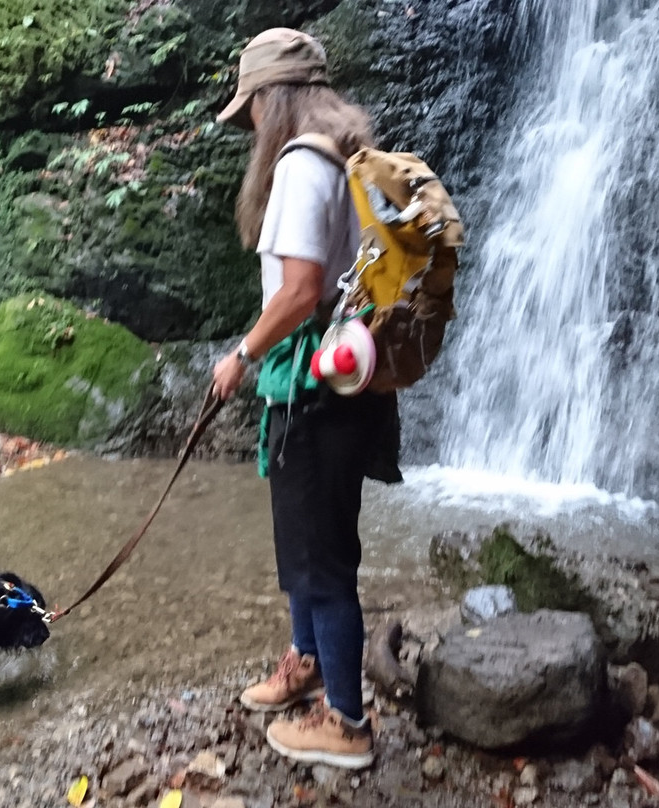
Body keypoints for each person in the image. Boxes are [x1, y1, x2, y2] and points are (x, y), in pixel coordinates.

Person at [211, 27, 402, 770]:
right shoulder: (351, 157)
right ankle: (308, 658)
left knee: (320, 558)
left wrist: (240, 357)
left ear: (271, 99)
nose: (250, 125)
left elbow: (296, 292)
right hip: (350, 378)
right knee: (310, 542)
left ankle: (347, 725)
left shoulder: (298, 165)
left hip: (312, 389)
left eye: (251, 108)